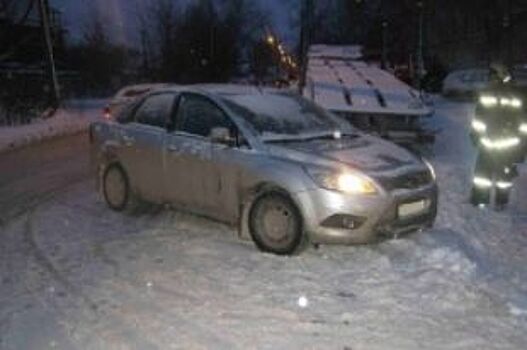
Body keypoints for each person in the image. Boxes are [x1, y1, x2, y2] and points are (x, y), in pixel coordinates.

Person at [470, 63, 526, 209]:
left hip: (506, 147)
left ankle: (499, 202)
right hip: (490, 144)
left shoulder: (516, 95)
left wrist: (521, 149)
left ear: (501, 76)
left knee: (503, 178)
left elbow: (523, 124)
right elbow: (479, 118)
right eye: (490, 76)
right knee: (482, 176)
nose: (491, 79)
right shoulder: (488, 93)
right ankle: (481, 200)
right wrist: (475, 134)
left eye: (493, 76)